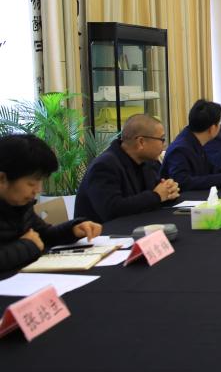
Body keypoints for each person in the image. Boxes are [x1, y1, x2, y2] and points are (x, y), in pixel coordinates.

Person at [1, 134, 102, 272]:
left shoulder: (20, 205)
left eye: (40, 182)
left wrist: (72, 229)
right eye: (31, 183)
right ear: (2, 179)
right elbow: (33, 242)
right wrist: (27, 245)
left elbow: (44, 235)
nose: (38, 190)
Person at [75, 114, 180, 223]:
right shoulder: (104, 166)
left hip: (139, 225)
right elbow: (112, 210)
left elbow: (157, 193)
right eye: (161, 139)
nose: (164, 145)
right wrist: (157, 196)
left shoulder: (148, 162)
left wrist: (169, 191)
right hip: (103, 231)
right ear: (141, 142)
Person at [162, 100, 221, 191]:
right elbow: (182, 182)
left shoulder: (195, 139)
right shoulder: (180, 149)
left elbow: (208, 168)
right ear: (212, 128)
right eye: (218, 124)